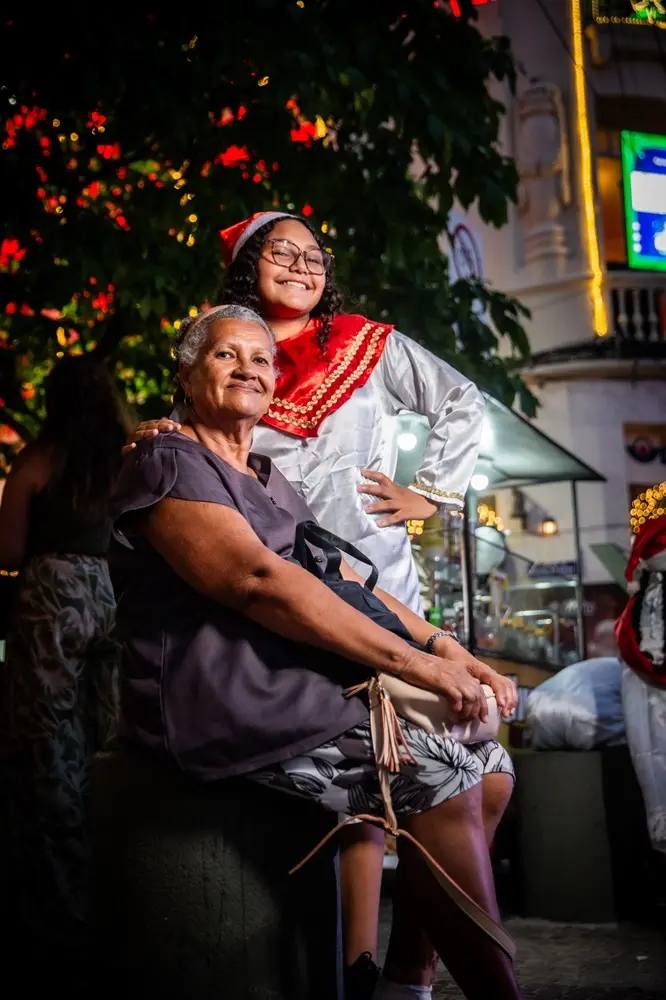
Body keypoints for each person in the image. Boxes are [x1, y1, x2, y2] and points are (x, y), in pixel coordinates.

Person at [112, 304, 522, 1000]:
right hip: (222, 695)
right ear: (185, 374)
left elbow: (347, 581)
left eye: (262, 359)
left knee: (492, 768)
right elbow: (258, 581)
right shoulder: (167, 459)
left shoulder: (268, 476)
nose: (249, 369)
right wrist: (413, 666)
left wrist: (450, 650)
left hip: (292, 678)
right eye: (225, 355)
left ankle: (404, 981)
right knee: (445, 771)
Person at [0, 356, 130, 992]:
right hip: (113, 597)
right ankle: (113, 891)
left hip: (50, 599)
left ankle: (57, 907)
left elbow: (7, 551)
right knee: (110, 735)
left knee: (45, 743)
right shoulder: (125, 461)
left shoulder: (38, 459)